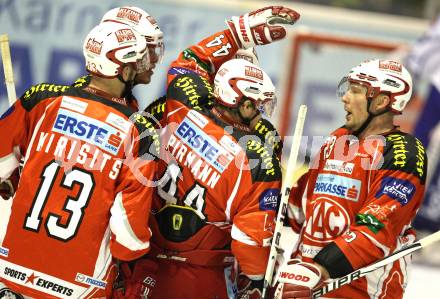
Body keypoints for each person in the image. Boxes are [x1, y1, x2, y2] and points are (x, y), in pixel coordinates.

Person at [112, 6, 300, 299]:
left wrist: (238, 33)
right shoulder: (262, 144)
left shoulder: (176, 104)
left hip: (146, 253)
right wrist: (263, 271)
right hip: (204, 268)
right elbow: (254, 225)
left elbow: (188, 62)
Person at [0, 21, 159, 298]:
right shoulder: (141, 131)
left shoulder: (42, 99)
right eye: (139, 59)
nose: (144, 64)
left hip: (11, 271)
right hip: (80, 286)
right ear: (124, 69)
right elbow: (129, 239)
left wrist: (13, 180)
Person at [275, 59, 428, 299]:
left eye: (355, 90)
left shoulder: (403, 153)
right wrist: (257, 210)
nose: (344, 97)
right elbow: (304, 203)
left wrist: (321, 267)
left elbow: (376, 228)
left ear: (381, 101)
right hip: (303, 282)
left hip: (359, 290)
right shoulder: (339, 138)